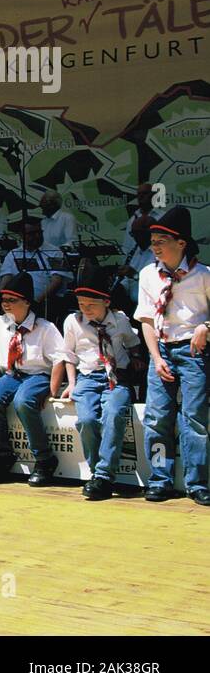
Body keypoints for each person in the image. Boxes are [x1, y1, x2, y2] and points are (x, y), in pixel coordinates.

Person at [133, 206, 210, 504]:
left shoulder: (203, 276)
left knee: (195, 419)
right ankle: (160, 479)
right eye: (152, 241)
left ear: (181, 243)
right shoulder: (148, 275)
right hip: (162, 349)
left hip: (193, 350)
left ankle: (197, 482)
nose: (155, 247)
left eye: (161, 240)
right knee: (157, 417)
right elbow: (147, 321)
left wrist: (205, 326)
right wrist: (156, 357)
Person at [60, 265, 142, 501]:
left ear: (106, 301)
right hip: (87, 376)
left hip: (116, 377)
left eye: (91, 305)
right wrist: (72, 383)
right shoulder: (73, 322)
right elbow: (69, 355)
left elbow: (133, 342)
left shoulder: (120, 320)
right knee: (86, 419)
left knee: (113, 413)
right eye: (82, 305)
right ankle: (98, 472)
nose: (86, 310)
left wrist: (136, 358)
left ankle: (104, 476)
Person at [0, 271, 67, 486]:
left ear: (27, 303)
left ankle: (44, 458)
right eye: (4, 300)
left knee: (24, 401)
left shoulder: (45, 328)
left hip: (37, 374)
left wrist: (52, 390)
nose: (6, 305)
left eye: (12, 300)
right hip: (11, 374)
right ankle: (2, 455)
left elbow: (59, 360)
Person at [0, 216, 70, 317]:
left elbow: (56, 281)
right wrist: (2, 299)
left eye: (39, 232)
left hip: (45, 301)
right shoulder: (13, 254)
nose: (36, 236)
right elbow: (6, 278)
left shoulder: (54, 252)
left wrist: (36, 302)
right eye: (31, 234)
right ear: (21, 235)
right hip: (18, 302)